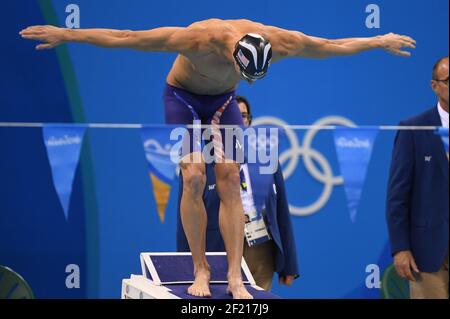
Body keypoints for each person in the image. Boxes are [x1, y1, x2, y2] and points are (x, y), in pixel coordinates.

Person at [21, 18, 416, 299]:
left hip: (222, 102)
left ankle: (232, 274)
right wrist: (65, 33)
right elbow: (126, 36)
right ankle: (199, 268)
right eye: (240, 71)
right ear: (232, 54)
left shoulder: (279, 42)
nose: (245, 78)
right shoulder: (198, 39)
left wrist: (377, 41)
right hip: (181, 98)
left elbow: (328, 47)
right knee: (193, 178)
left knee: (228, 177)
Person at [177, 96, 299, 290]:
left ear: (249, 121)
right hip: (218, 250)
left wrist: (289, 265)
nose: (239, 121)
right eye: (233, 116)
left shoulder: (266, 160)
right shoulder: (200, 163)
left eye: (243, 116)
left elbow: (282, 212)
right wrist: (184, 265)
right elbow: (187, 216)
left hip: (260, 250)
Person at [386, 56, 449, 299]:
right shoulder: (413, 130)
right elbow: (397, 196)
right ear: (434, 86)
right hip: (429, 254)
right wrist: (401, 248)